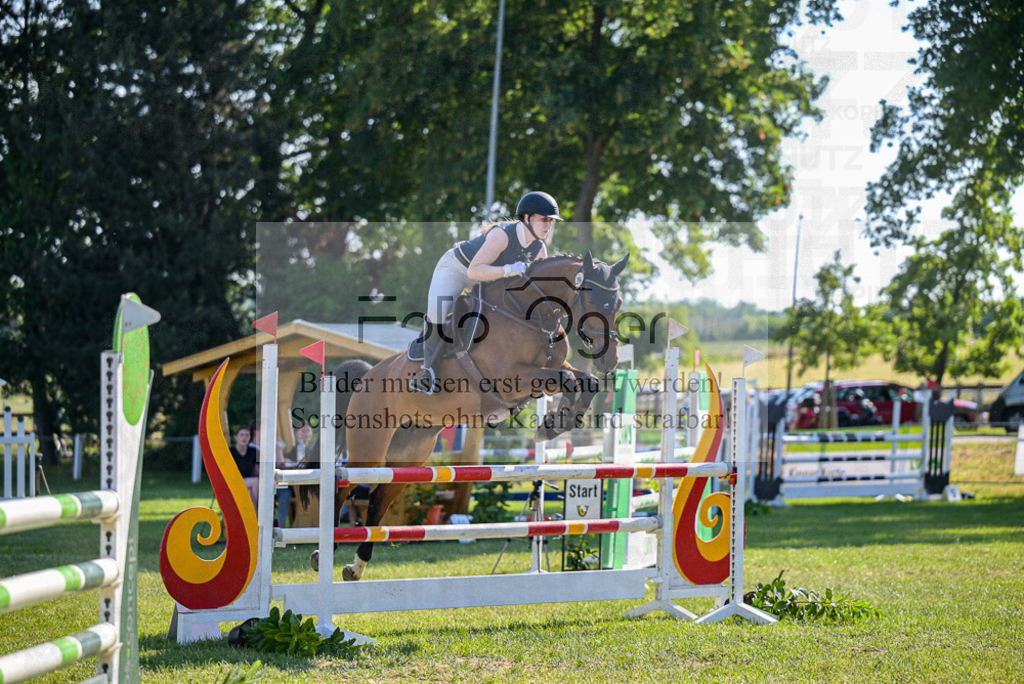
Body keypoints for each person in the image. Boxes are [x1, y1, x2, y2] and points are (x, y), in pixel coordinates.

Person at [412, 190, 562, 393]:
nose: (548, 225)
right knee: (437, 312)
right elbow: (474, 271)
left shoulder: (539, 250)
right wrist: (508, 270)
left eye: (551, 221)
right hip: (457, 268)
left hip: (488, 279)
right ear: (526, 218)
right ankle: (427, 371)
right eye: (544, 219)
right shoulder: (502, 235)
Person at [229, 425, 260, 507]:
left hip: (249, 483)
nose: (244, 437)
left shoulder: (253, 452)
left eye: (247, 435)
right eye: (242, 435)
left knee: (250, 494)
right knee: (256, 481)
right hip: (234, 482)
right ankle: (260, 507)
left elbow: (257, 470)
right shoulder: (230, 452)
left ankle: (253, 518)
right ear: (236, 437)